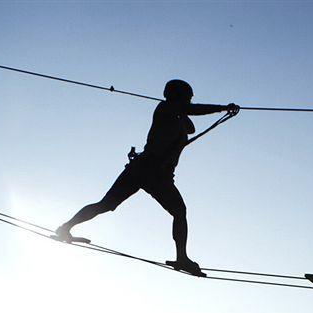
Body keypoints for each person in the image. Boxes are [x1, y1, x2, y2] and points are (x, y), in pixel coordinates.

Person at [56, 79, 239, 276]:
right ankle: (182, 258)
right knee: (175, 211)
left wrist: (186, 110)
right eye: (188, 98)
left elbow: (190, 126)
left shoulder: (176, 116)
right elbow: (191, 112)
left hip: (151, 171)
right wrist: (222, 108)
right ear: (178, 96)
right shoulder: (164, 109)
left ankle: (65, 228)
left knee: (109, 205)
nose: (190, 102)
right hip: (151, 170)